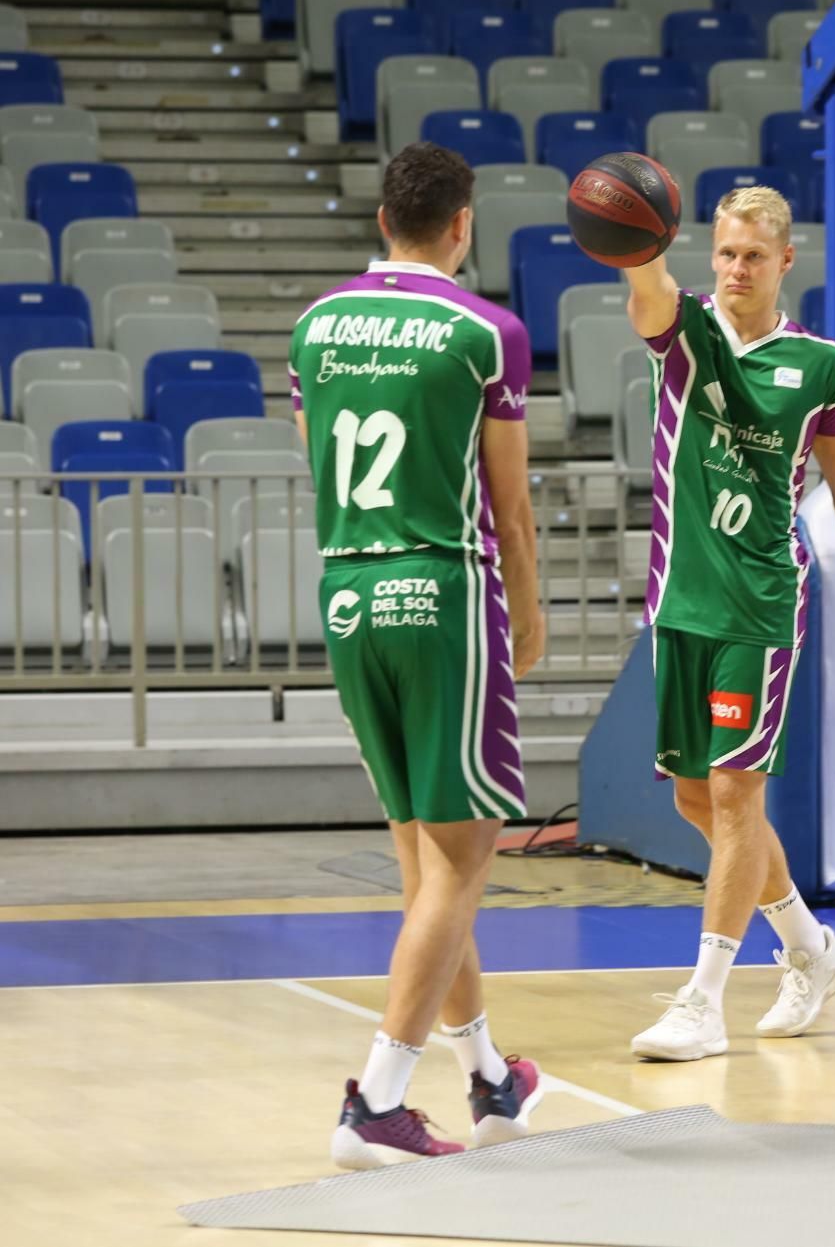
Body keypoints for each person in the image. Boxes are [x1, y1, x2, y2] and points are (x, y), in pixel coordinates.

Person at [618, 184, 835, 1061]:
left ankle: (703, 1001)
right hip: (680, 599)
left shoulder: (820, 363)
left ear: (786, 261)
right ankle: (811, 949)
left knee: (734, 792)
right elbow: (647, 291)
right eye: (724, 253)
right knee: (692, 796)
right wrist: (638, 244)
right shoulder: (684, 333)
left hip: (759, 599)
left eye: (753, 256)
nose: (736, 269)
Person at [290, 142, 547, 1167]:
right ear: (461, 223)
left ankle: (486, 1076)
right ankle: (378, 1100)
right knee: (465, 854)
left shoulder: (313, 326)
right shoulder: (487, 331)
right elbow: (513, 508)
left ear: (381, 220)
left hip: (347, 588)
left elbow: (315, 439)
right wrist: (528, 618)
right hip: (439, 589)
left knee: (428, 861)